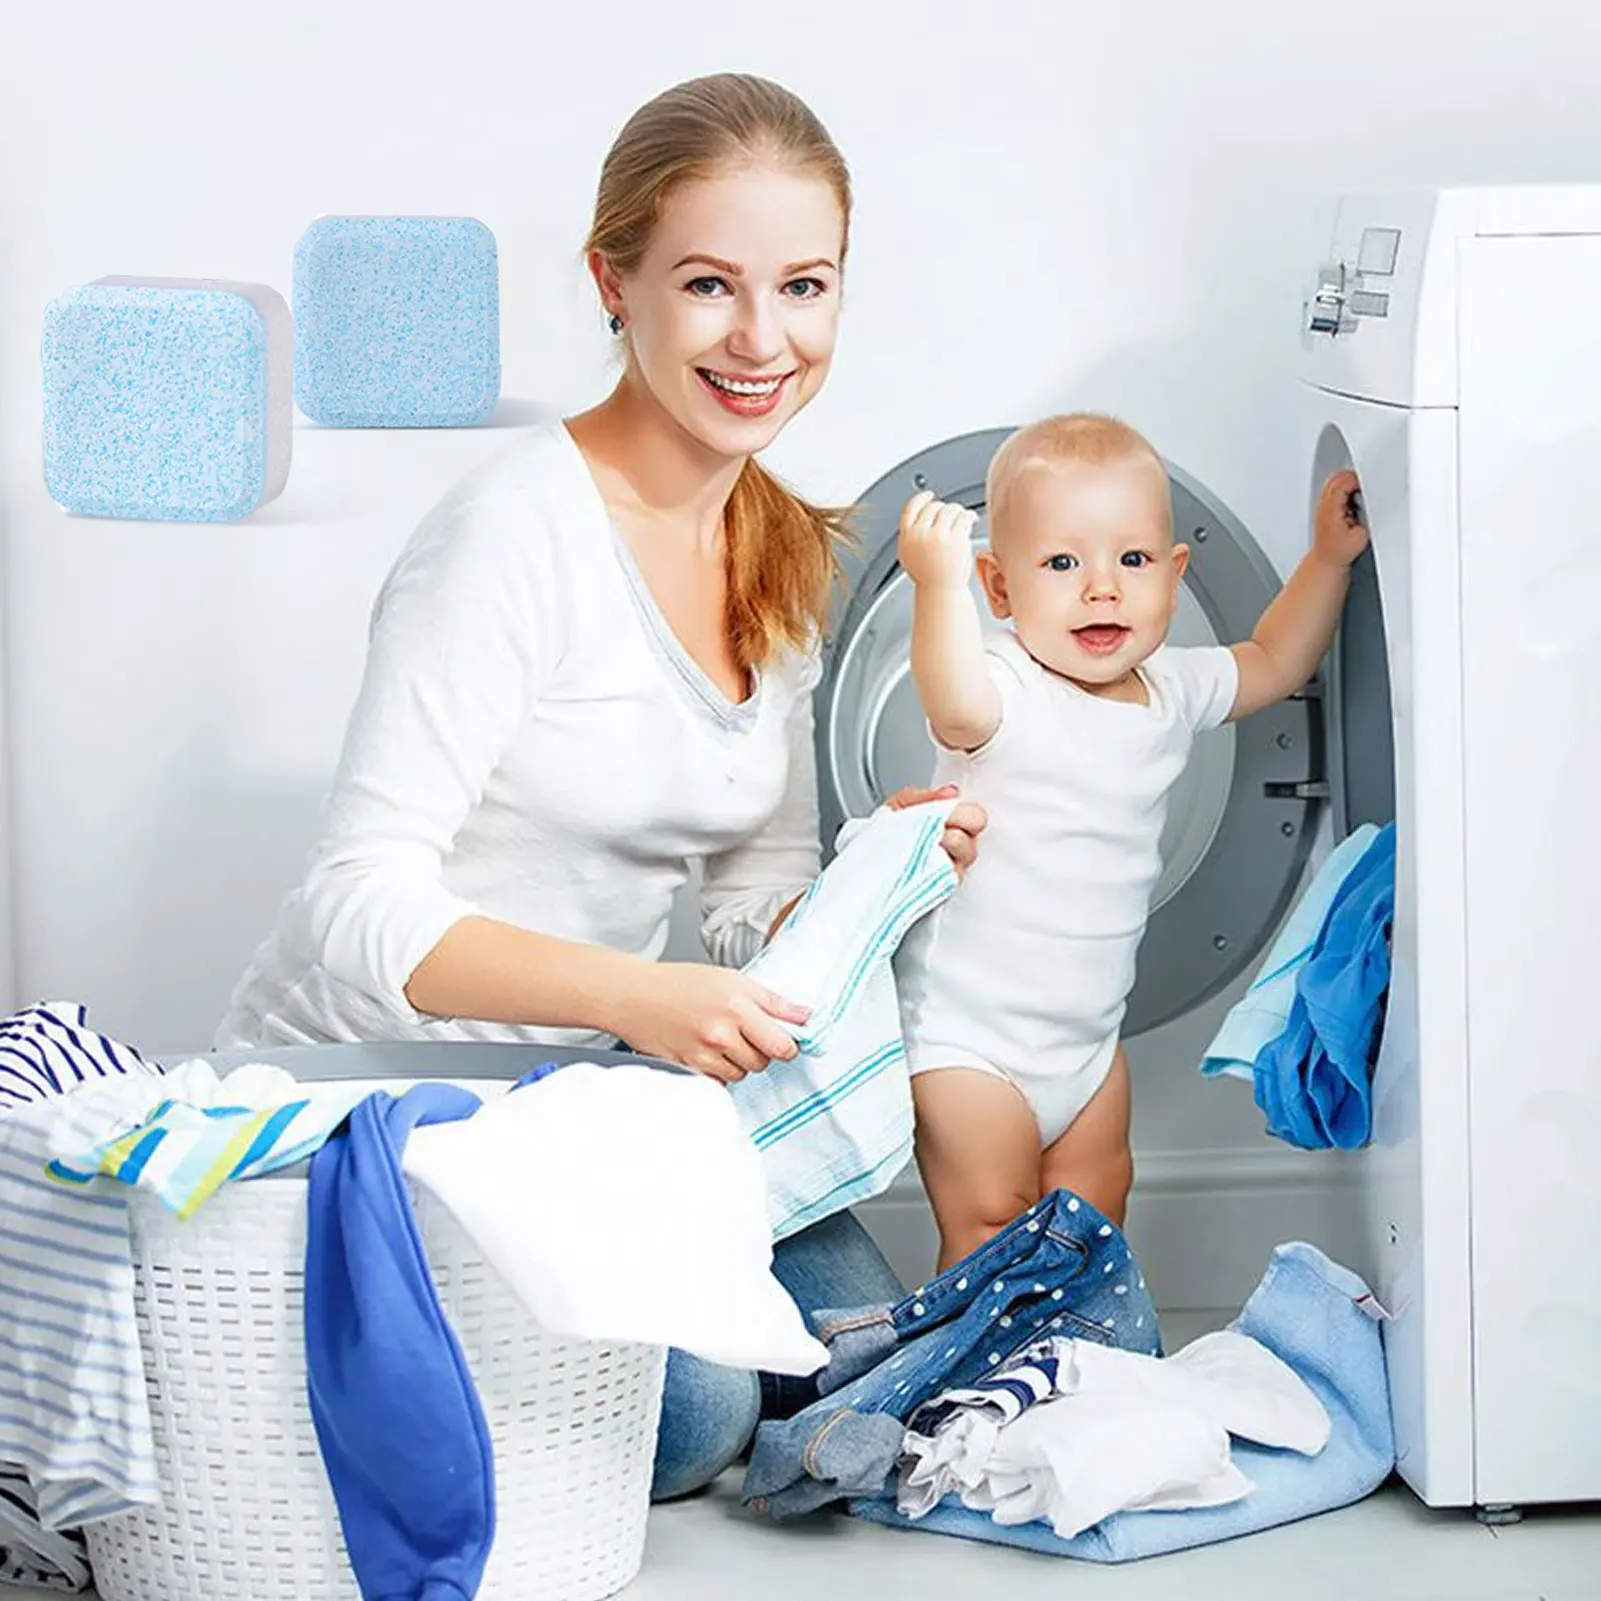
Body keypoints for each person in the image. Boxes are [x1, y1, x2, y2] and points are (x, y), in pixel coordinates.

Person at [215, 73, 984, 1498]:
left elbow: (750, 880)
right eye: (708, 284)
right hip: (391, 1100)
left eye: (803, 286)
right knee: (694, 1419)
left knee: (860, 1355)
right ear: (612, 283)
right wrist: (643, 998)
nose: (763, 339)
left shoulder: (777, 550)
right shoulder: (512, 536)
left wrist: (862, 890)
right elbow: (351, 901)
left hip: (586, 1094)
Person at [895, 411, 1367, 1272]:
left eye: (1133, 560)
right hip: (969, 1041)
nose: (1102, 589)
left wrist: (1326, 562)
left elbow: (1272, 661)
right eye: (1062, 563)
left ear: (1174, 577)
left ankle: (1075, 1355)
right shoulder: (1003, 682)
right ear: (998, 587)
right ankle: (972, 1362)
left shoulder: (1170, 685)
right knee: (989, 1225)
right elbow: (953, 705)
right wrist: (936, 590)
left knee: (1093, 1225)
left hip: (1085, 1045)